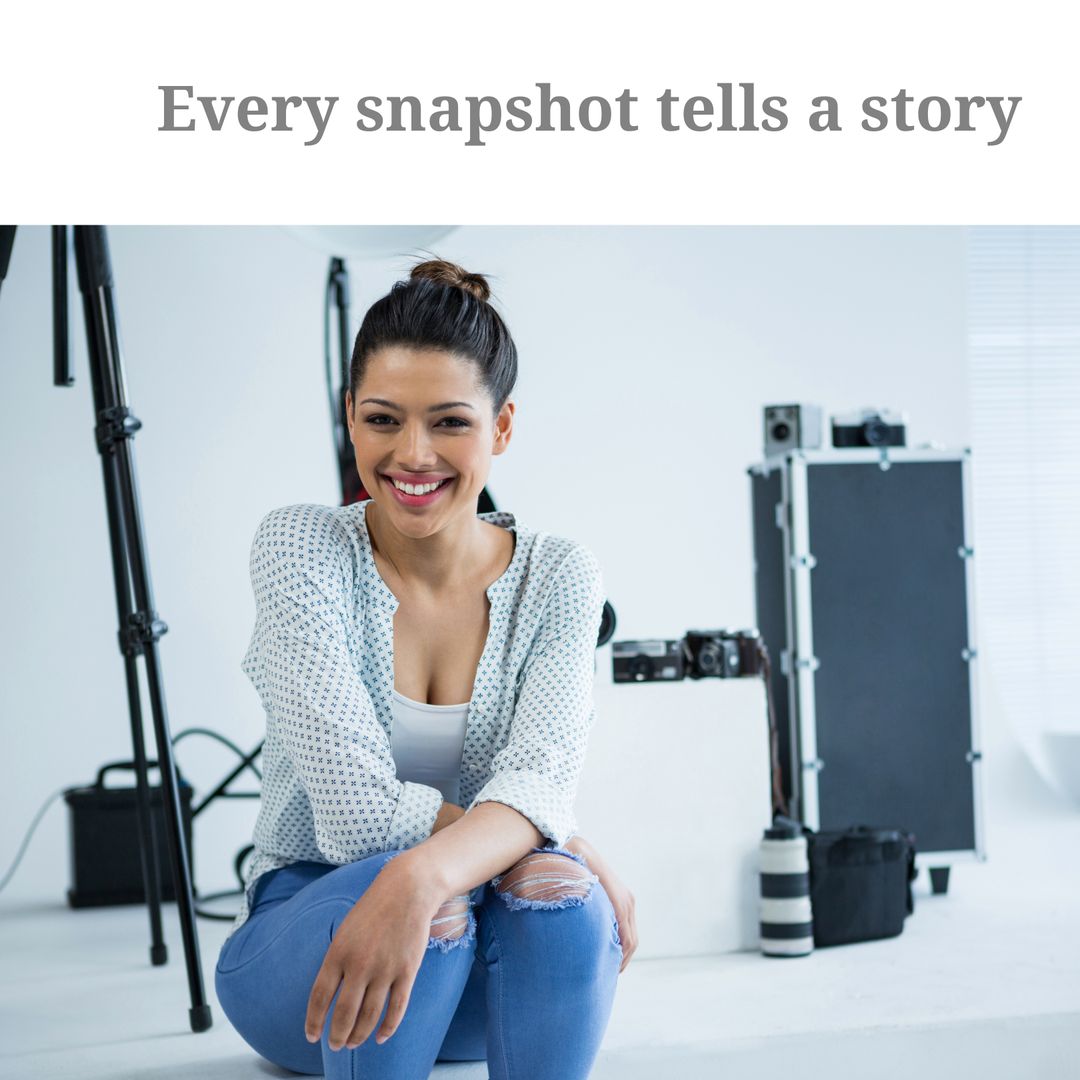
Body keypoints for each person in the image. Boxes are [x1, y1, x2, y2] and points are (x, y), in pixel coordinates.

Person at [214, 258, 637, 1079]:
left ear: (501, 428)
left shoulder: (560, 575)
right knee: (473, 883)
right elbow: (357, 820)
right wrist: (548, 826)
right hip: (309, 944)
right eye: (382, 420)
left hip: (484, 967)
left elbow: (540, 777)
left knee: (561, 898)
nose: (412, 455)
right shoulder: (302, 548)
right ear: (349, 418)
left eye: (449, 422)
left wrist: (537, 836)